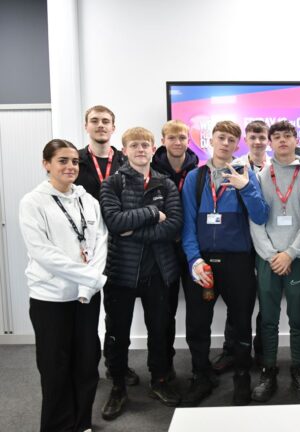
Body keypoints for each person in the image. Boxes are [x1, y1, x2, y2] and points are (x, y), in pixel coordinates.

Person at [19, 139, 108, 432]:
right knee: (55, 369)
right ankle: (58, 426)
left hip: (86, 297)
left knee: (86, 364)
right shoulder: (33, 202)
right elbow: (43, 253)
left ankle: (82, 423)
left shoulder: (88, 201)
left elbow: (99, 244)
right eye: (62, 161)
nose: (70, 166)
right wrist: (89, 278)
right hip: (50, 299)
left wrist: (87, 287)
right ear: (46, 164)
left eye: (74, 161)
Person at [181, 120, 269, 407]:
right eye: (221, 138)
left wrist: (246, 188)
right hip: (203, 262)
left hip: (238, 262)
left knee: (241, 324)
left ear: (237, 144)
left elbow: (260, 215)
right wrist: (194, 259)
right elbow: (188, 226)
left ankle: (242, 378)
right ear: (211, 140)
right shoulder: (195, 178)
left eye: (232, 140)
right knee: (197, 324)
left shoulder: (245, 173)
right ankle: (201, 377)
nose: (226, 144)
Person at [99, 127, 183, 420]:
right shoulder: (112, 183)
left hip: (159, 272)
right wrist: (151, 214)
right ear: (124, 150)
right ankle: (118, 386)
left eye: (145, 145)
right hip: (121, 271)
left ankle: (159, 380)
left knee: (160, 330)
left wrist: (132, 230)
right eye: (134, 145)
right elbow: (113, 221)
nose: (140, 149)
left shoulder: (166, 184)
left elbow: (173, 225)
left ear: (152, 148)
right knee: (117, 334)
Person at [249, 120, 300, 403]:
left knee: (297, 319)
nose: (281, 141)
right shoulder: (260, 176)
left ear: (295, 139)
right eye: (275, 137)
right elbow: (256, 221)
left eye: (287, 136)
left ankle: (298, 371)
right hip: (267, 258)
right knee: (268, 319)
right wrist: (271, 255)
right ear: (269, 142)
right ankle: (268, 371)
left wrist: (290, 253)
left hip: (297, 258)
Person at [75, 105, 138, 387]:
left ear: (113, 128)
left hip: (123, 247)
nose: (100, 126)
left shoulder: (129, 161)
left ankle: (117, 369)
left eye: (106, 121)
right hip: (85, 251)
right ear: (86, 126)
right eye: (95, 121)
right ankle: (94, 370)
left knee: (118, 316)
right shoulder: (74, 162)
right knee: (89, 316)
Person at [211, 120, 270, 374]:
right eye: (253, 137)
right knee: (239, 306)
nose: (257, 141)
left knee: (265, 304)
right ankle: (231, 350)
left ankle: (262, 350)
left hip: (270, 245)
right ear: (246, 140)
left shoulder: (276, 164)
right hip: (242, 246)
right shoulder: (237, 167)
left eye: (262, 137)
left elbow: (263, 212)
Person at [151, 119, 199, 380]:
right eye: (172, 138)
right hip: (163, 250)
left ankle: (198, 368)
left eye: (182, 137)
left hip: (191, 248)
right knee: (163, 312)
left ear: (188, 141)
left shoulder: (199, 171)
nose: (178, 142)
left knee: (196, 311)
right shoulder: (151, 171)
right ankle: (164, 369)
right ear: (163, 141)